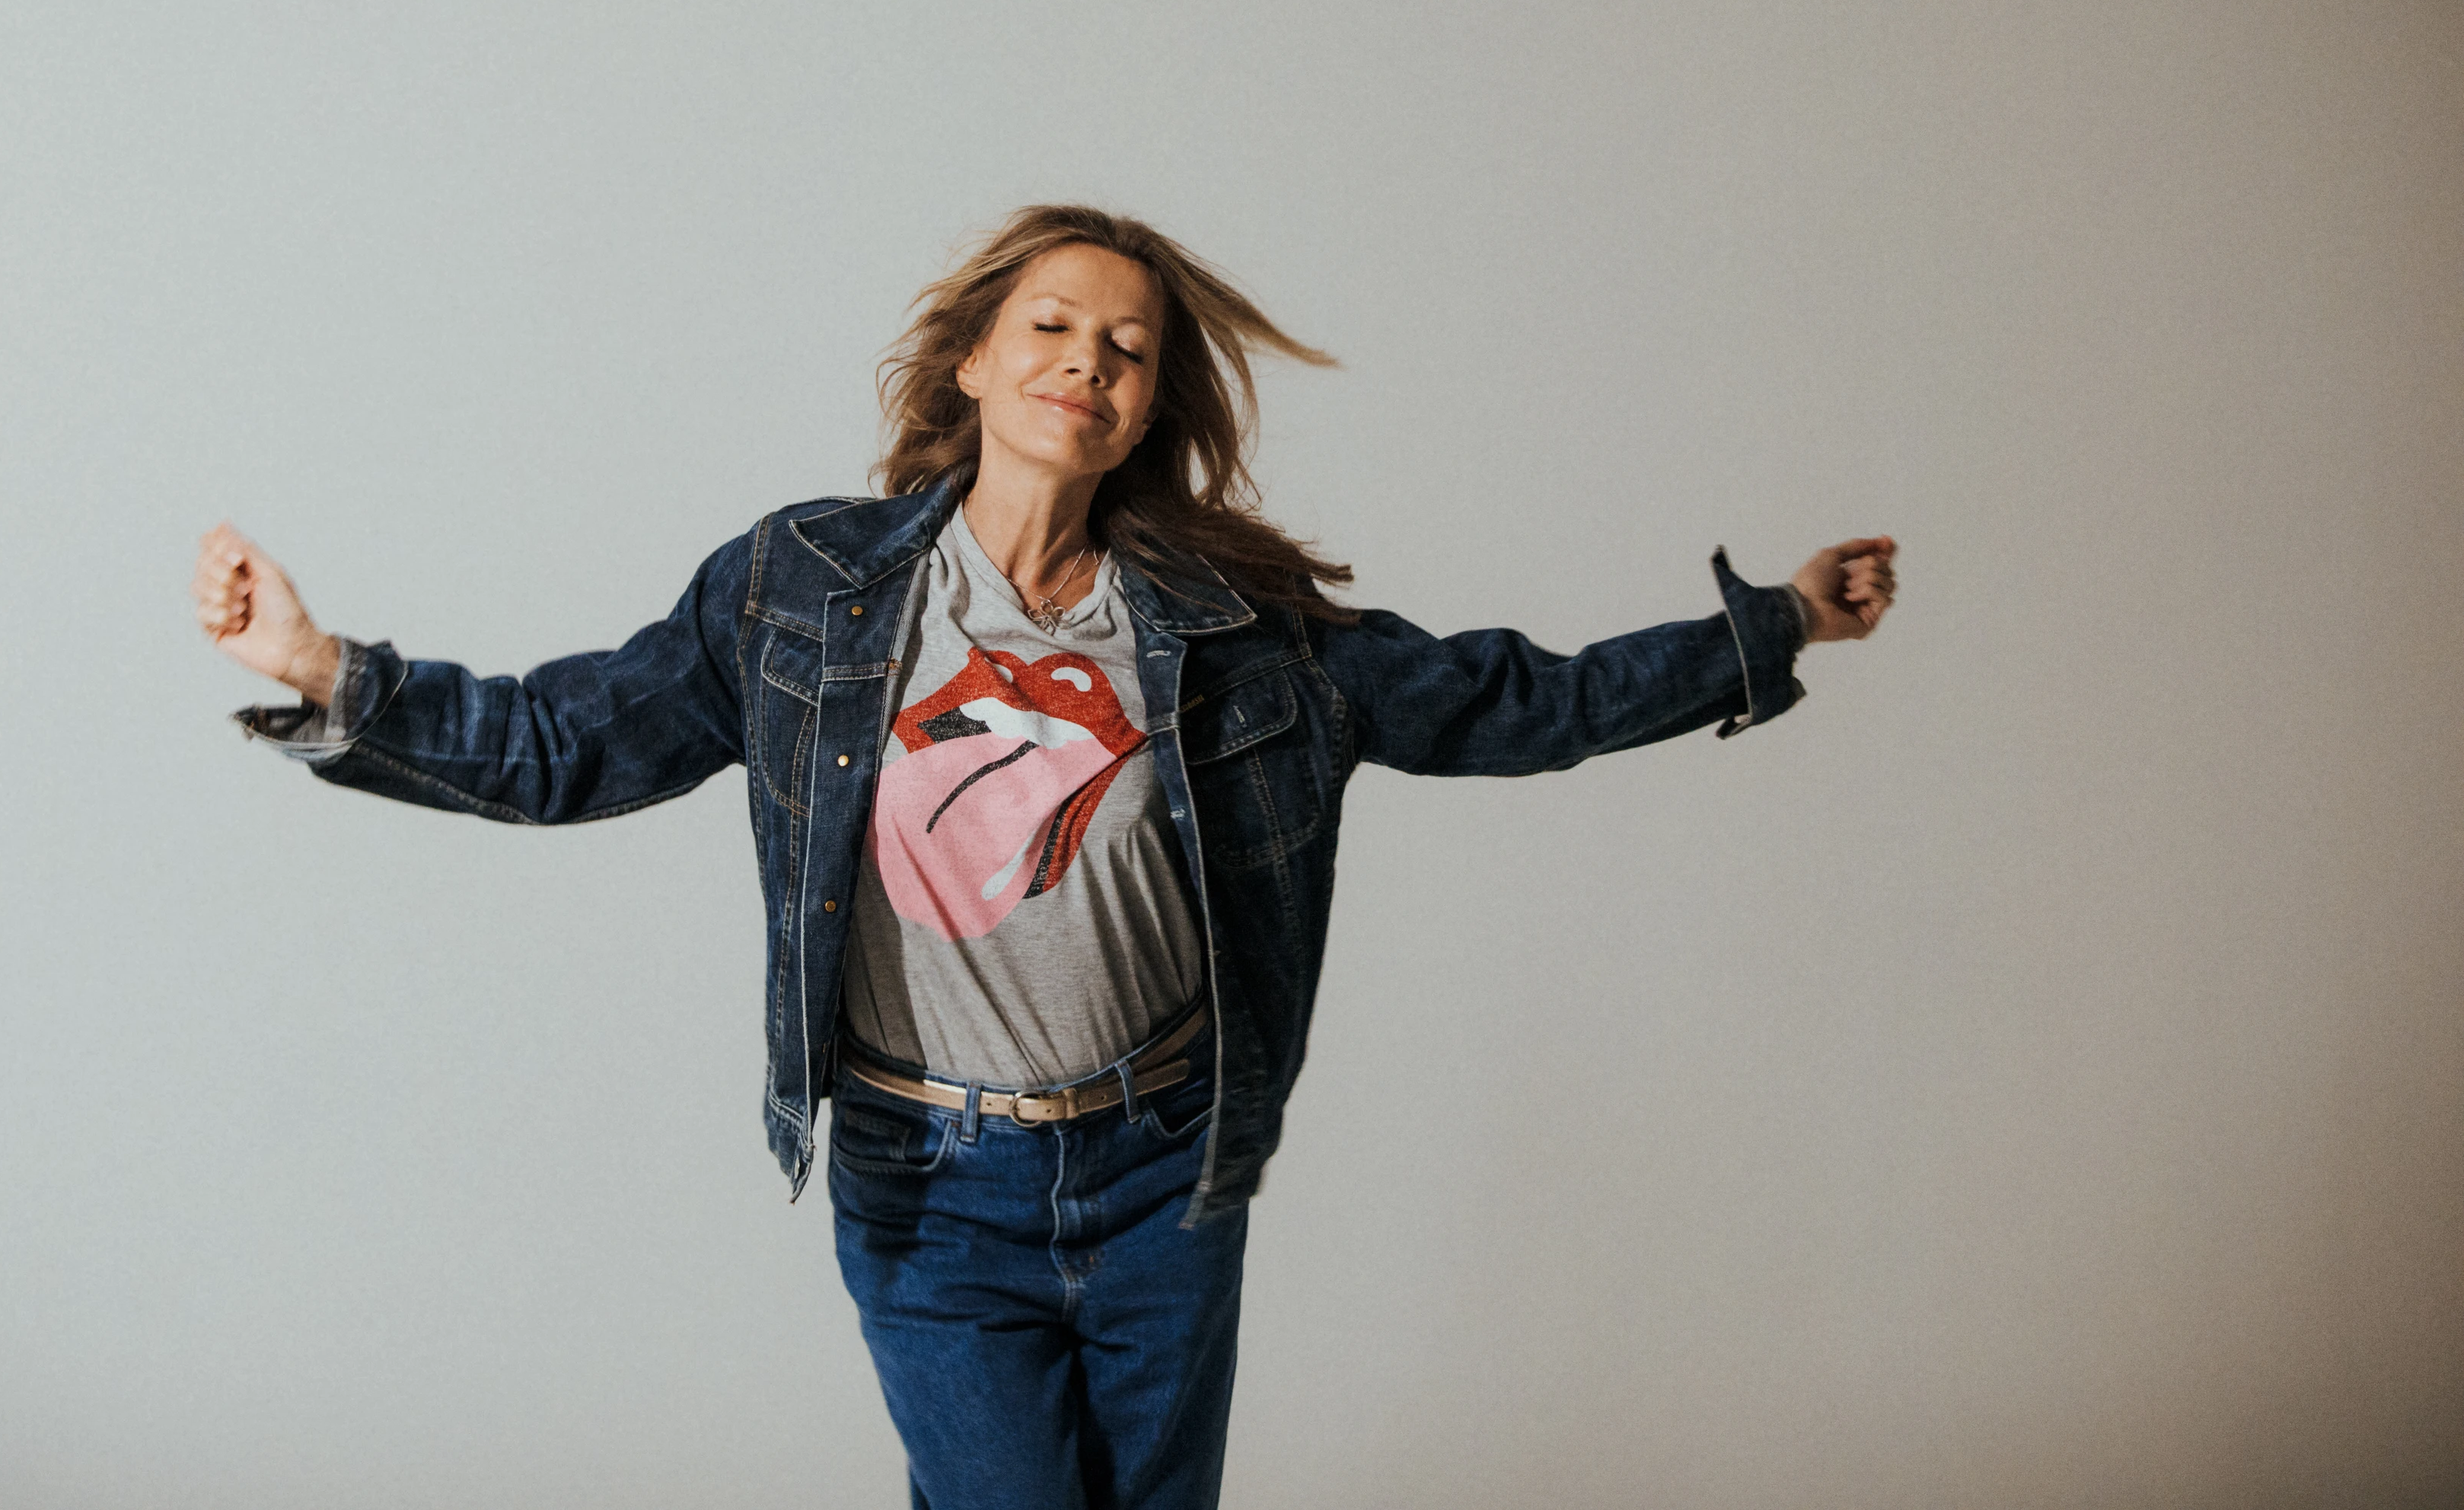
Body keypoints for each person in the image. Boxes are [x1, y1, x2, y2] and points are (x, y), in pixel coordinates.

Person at [190, 204, 1898, 1510]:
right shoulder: (804, 589)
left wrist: (1773, 633)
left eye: (1129, 348)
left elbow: (1507, 700)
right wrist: (329, 674)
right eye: (1055, 326)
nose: (1089, 360)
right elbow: (577, 741)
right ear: (977, 365)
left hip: (1166, 1174)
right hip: (932, 1192)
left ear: (1147, 406)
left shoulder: (1240, 633)